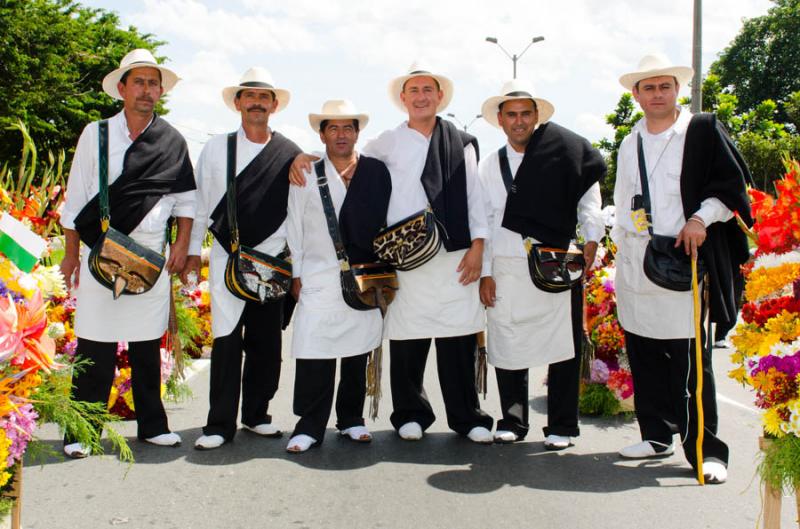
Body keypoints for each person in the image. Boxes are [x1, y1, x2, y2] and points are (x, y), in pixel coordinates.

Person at [290, 63, 494, 443]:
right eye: (413, 90)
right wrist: (302, 157)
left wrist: (479, 247)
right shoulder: (385, 143)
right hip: (406, 256)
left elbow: (474, 197)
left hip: (454, 253)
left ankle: (467, 417)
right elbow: (343, 156)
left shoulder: (461, 142)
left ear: (439, 96)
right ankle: (410, 413)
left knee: (458, 337)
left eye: (427, 90)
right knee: (407, 339)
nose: (420, 96)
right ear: (403, 99)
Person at [612, 54, 753, 484]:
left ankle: (706, 449)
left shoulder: (701, 129)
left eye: (665, 86)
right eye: (648, 87)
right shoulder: (629, 141)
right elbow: (622, 202)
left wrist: (700, 219)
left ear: (677, 90)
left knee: (690, 359)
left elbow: (732, 189)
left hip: (682, 258)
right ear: (636, 95)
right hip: (636, 260)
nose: (657, 94)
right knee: (642, 350)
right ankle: (656, 435)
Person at [59, 49, 196, 458]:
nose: (147, 90)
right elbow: (76, 198)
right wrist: (69, 256)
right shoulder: (96, 134)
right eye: (139, 82)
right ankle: (82, 432)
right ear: (122, 88)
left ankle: (153, 426)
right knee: (94, 346)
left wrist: (182, 244)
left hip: (151, 256)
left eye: (154, 83)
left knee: (145, 345)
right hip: (101, 250)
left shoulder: (172, 140)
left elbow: (186, 201)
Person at [478, 80, 605, 448]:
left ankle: (563, 426)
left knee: (563, 346)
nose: (519, 121)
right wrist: (485, 272)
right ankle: (513, 422)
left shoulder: (566, 156)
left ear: (536, 117)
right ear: (500, 120)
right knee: (507, 342)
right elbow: (482, 221)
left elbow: (589, 203)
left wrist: (592, 238)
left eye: (525, 114)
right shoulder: (489, 166)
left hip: (556, 264)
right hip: (506, 265)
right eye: (511, 114)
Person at [185, 67, 301, 450]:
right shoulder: (218, 148)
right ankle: (219, 424)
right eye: (249, 95)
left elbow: (300, 215)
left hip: (272, 262)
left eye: (263, 97)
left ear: (274, 105)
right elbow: (201, 206)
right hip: (228, 258)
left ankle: (257, 414)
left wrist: (296, 267)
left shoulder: (290, 153)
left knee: (267, 344)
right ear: (237, 103)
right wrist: (190, 254)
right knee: (227, 341)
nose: (256, 102)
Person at [285, 100, 391, 453]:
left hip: (363, 277)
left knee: (357, 351)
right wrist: (297, 274)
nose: (341, 135)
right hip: (317, 275)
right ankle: (309, 425)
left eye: (348, 128)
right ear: (322, 133)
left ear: (358, 133)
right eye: (333, 128)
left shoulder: (376, 172)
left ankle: (351, 419)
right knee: (314, 349)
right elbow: (294, 226)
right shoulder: (306, 172)